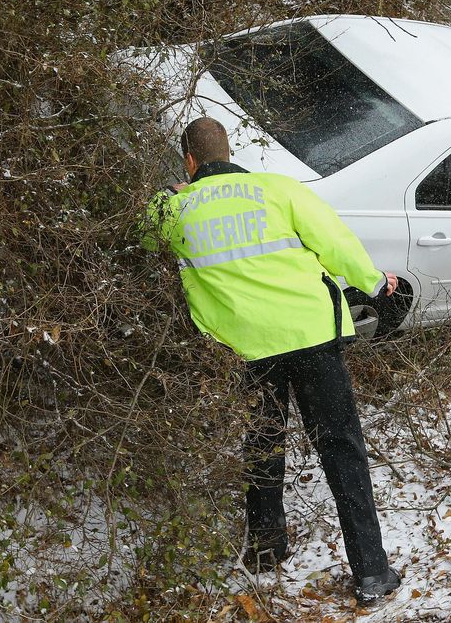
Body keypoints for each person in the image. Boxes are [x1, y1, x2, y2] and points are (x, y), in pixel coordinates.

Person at [141, 116, 401, 603]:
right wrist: (370, 280)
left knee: (262, 443)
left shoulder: (176, 211)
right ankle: (371, 572)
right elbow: (334, 241)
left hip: (248, 346)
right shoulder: (278, 189)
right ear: (230, 150)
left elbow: (145, 236)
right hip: (310, 333)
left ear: (189, 160)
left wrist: (167, 195)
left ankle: (265, 550)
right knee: (341, 449)